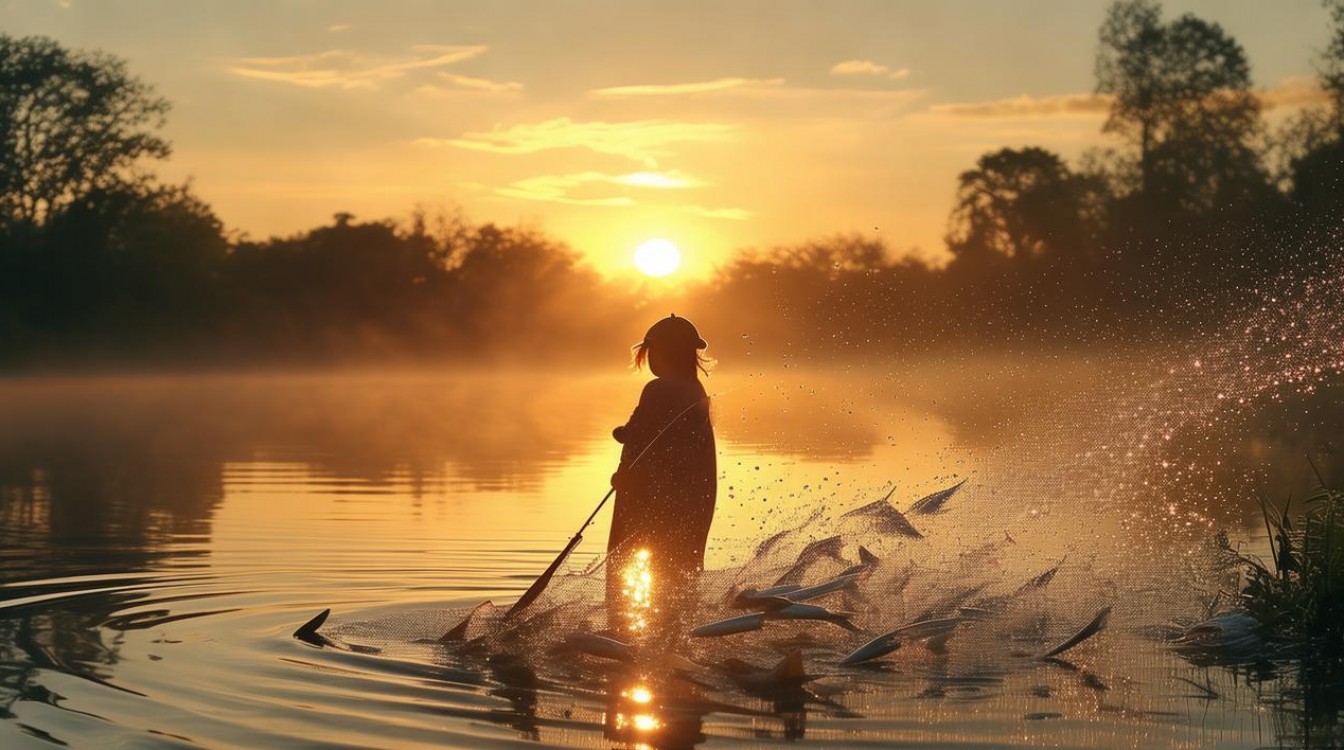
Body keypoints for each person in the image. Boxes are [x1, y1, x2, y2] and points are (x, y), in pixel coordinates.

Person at [606, 314, 717, 627]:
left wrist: (624, 476)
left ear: (662, 353)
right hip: (693, 502)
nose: (649, 359)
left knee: (624, 570)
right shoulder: (696, 390)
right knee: (678, 577)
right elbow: (650, 436)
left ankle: (630, 634)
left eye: (651, 352)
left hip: (651, 501)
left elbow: (639, 441)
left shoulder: (657, 390)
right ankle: (673, 638)